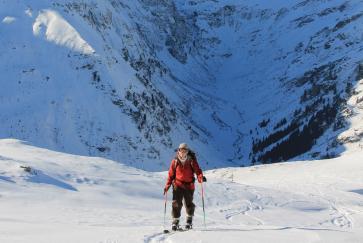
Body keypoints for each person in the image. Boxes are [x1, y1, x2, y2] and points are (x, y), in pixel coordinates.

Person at [164, 143, 206, 230]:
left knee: (189, 204)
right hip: (177, 185)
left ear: (187, 151)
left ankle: (189, 220)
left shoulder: (191, 160)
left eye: (184, 151)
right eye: (181, 150)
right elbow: (171, 174)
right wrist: (167, 185)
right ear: (178, 151)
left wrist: (200, 177)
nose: (182, 152)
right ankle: (175, 221)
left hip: (189, 186)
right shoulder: (175, 161)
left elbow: (198, 171)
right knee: (176, 203)